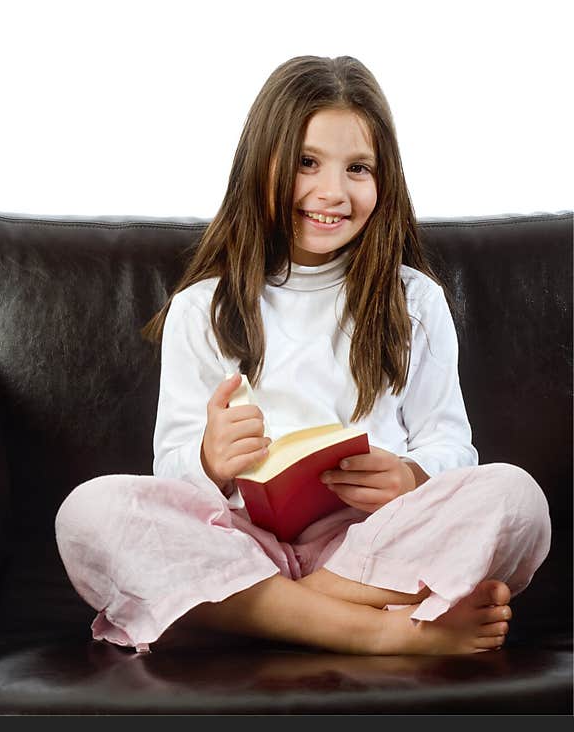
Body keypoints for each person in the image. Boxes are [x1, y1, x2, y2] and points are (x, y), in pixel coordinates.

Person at [54, 55, 551, 657]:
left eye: (358, 168)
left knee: (516, 499)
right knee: (88, 514)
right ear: (260, 165)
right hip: (242, 542)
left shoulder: (414, 301)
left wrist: (411, 477)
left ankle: (261, 612)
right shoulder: (201, 308)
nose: (332, 192)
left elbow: (452, 445)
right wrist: (210, 461)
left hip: (369, 541)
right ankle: (376, 630)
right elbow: (171, 473)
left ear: (384, 180)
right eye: (307, 163)